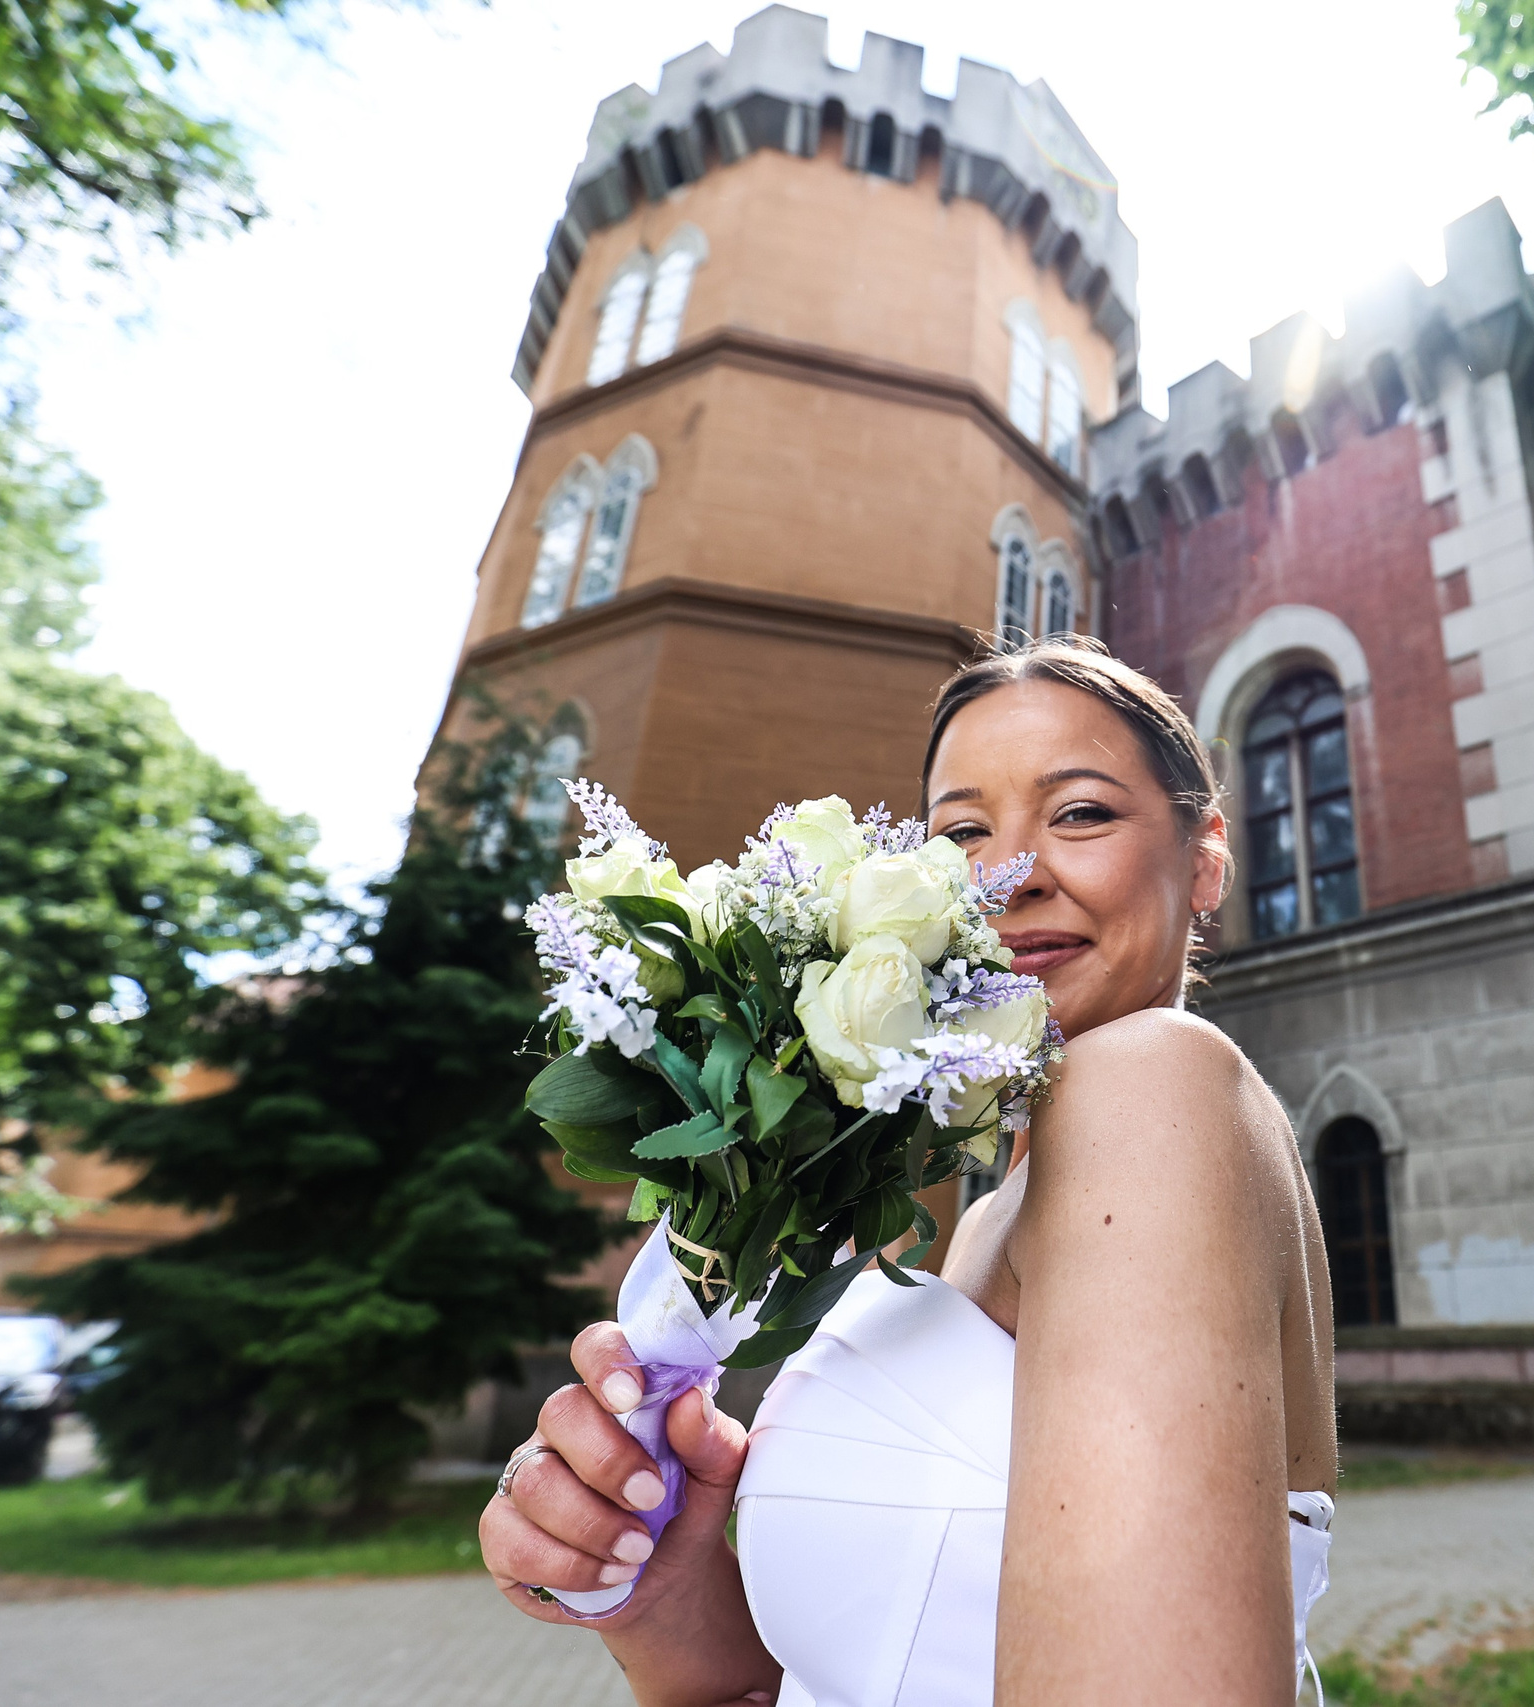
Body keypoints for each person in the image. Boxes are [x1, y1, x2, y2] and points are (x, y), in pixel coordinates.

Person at [477, 639, 1341, 1706]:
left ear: (1205, 855)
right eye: (964, 832)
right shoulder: (986, 1213)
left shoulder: (1150, 1082)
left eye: (1079, 813)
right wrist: (662, 1593)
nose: (1010, 875)